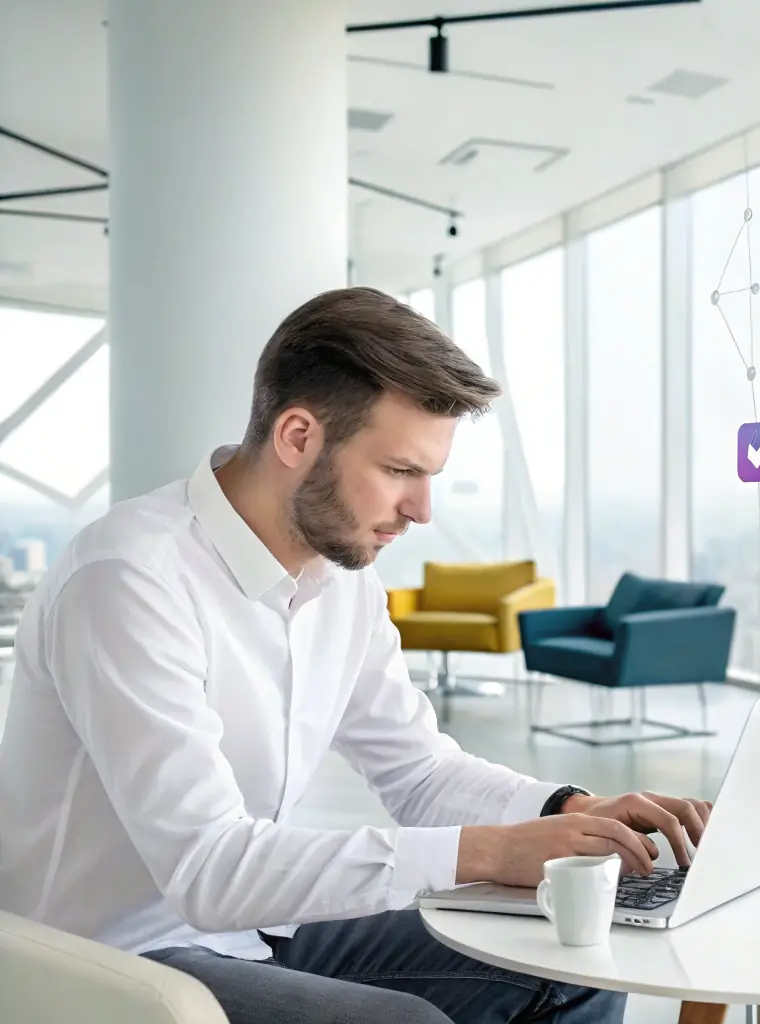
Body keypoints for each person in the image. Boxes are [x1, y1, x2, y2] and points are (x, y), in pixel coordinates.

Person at [0, 287, 712, 1024]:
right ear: (298, 436)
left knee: (579, 960)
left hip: (251, 932)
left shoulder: (341, 582)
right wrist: (494, 852)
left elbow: (419, 771)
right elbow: (207, 869)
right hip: (105, 962)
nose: (422, 509)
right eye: (401, 470)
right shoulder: (128, 578)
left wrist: (571, 811)